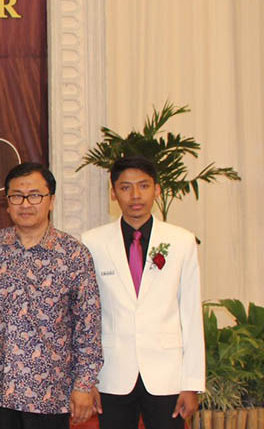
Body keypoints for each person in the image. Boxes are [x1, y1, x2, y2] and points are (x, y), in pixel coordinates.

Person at [0, 162, 102, 429]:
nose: (25, 204)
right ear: (7, 202)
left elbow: (87, 326)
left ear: (51, 201)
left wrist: (84, 384)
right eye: (17, 196)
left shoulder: (73, 255)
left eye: (35, 195)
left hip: (50, 394)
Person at [80, 156, 204, 429]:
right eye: (125, 187)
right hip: (111, 374)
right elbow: (86, 318)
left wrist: (192, 383)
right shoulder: (92, 242)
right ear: (113, 193)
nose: (135, 195)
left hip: (167, 375)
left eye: (144, 186)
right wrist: (87, 380)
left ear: (157, 190)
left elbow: (191, 314)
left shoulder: (181, 241)